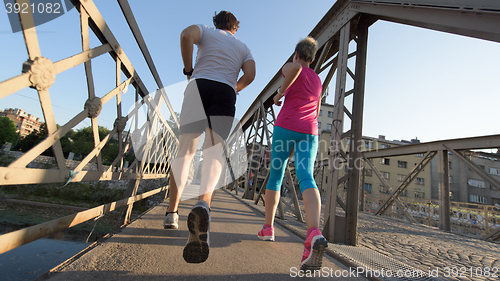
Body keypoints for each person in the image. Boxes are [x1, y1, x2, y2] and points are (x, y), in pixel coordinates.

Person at [163, 11, 255, 264]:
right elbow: (250, 75)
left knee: (186, 151)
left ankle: (172, 213)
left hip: (198, 87)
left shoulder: (205, 30)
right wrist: (233, 87)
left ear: (217, 23)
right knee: (214, 152)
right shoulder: (243, 46)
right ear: (235, 28)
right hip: (225, 92)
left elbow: (185, 35)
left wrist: (189, 69)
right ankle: (204, 204)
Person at [257, 37, 328, 271]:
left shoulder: (292, 65)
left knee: (276, 175)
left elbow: (294, 69)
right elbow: (316, 110)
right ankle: (313, 233)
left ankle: (268, 228)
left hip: (286, 127)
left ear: (296, 54)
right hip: (310, 132)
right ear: (313, 58)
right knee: (306, 176)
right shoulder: (318, 80)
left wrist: (279, 95)